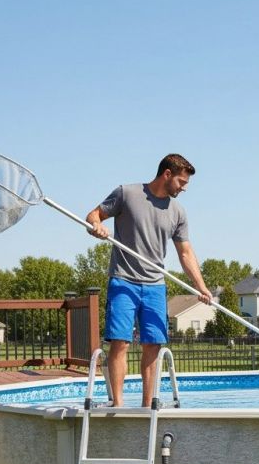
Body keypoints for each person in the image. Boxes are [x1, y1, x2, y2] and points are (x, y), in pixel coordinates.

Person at [86, 154, 212, 407]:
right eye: (181, 182)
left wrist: (201, 287)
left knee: (153, 345)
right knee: (120, 343)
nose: (184, 188)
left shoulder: (178, 212)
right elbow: (93, 215)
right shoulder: (127, 194)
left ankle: (147, 405)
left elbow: (185, 253)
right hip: (123, 280)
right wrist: (97, 226)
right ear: (167, 174)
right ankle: (118, 405)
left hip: (155, 285)